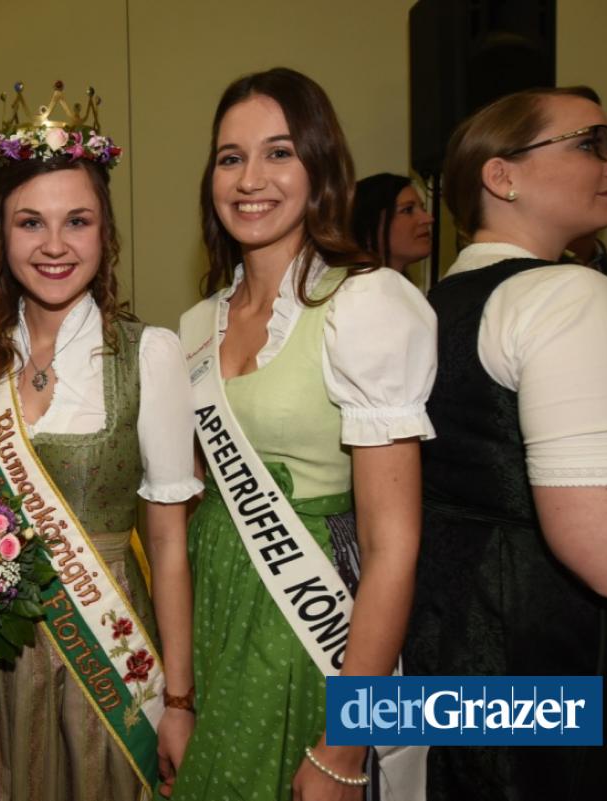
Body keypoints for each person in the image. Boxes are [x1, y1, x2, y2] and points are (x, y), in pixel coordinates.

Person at [0, 83, 201, 801]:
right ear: (1, 236)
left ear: (105, 233)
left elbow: (169, 542)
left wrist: (178, 700)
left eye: (77, 221)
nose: (54, 245)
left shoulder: (149, 353)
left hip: (107, 643)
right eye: (30, 223)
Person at [173, 69, 437, 801]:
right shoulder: (194, 326)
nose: (250, 179)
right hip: (215, 607)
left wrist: (343, 749)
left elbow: (393, 547)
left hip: (309, 617)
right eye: (230, 157)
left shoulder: (365, 305)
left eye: (279, 153)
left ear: (320, 167)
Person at [403, 87, 607, 801]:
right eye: (593, 143)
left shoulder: (425, 308)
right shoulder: (571, 296)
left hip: (437, 648)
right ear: (502, 175)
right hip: (555, 662)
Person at [351, 173, 433, 273]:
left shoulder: (393, 281)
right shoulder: (360, 282)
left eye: (423, 209)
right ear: (367, 226)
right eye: (407, 210)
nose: (428, 219)